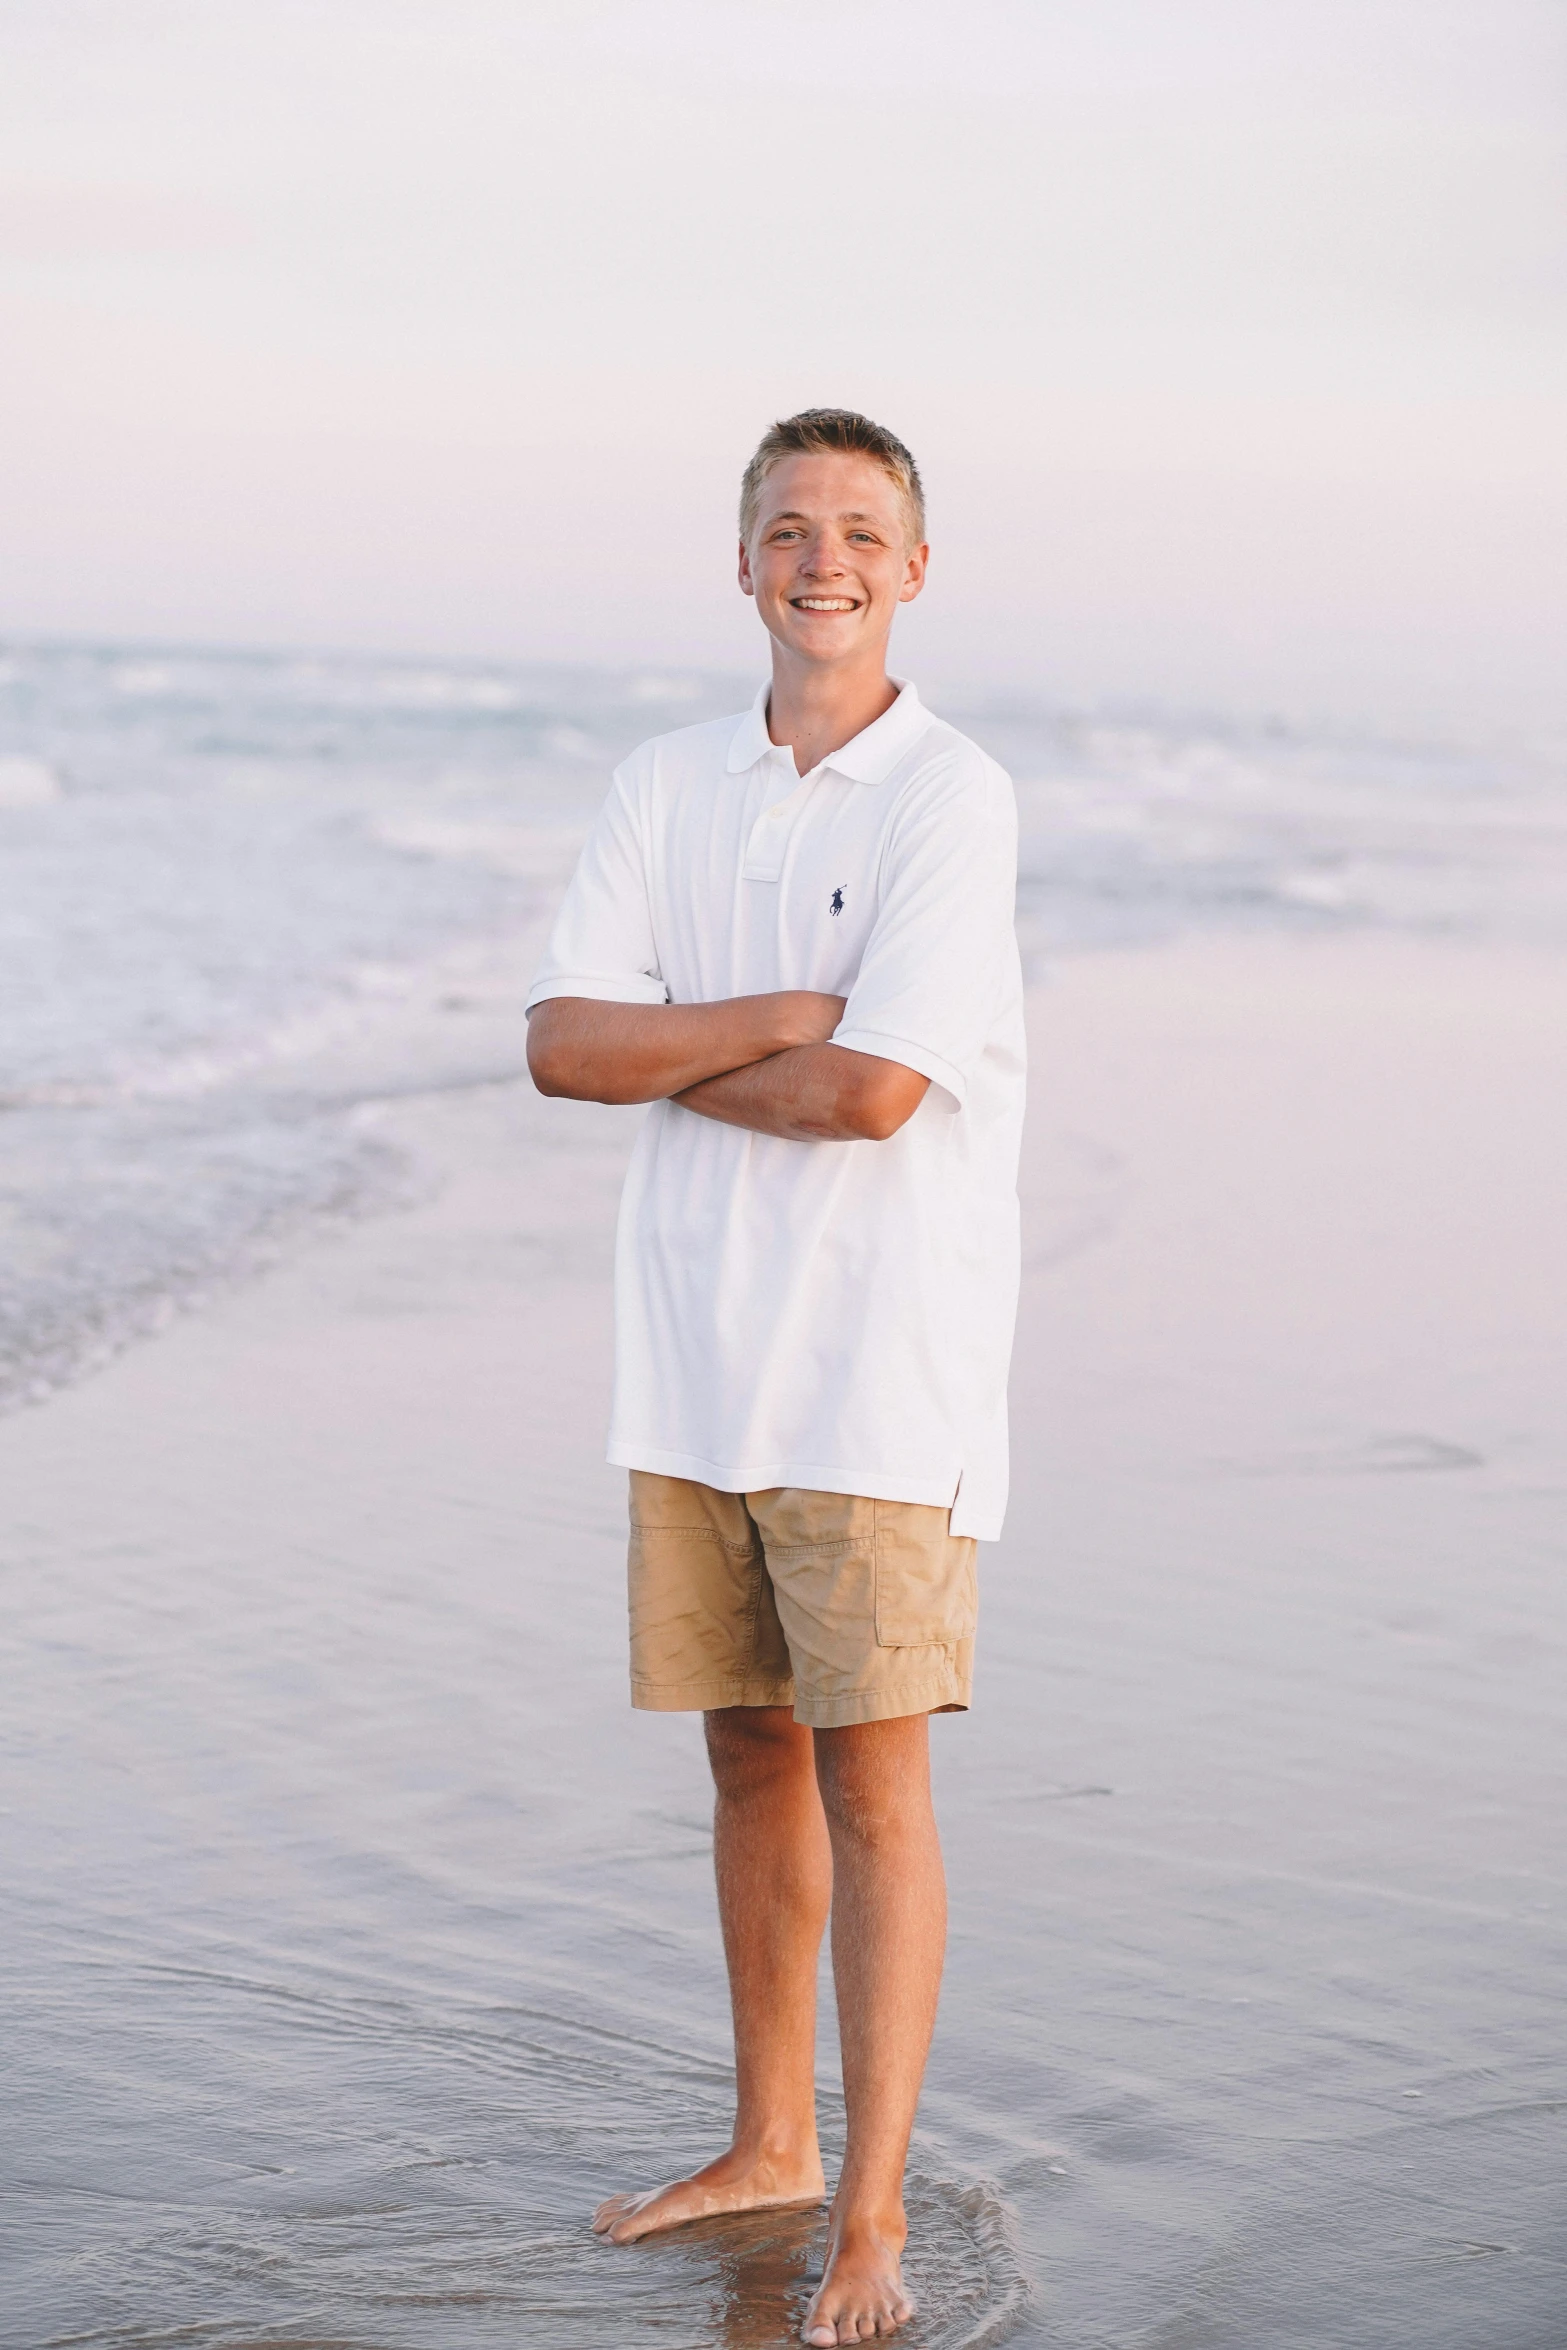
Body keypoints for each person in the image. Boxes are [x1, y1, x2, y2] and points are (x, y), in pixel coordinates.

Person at [526, 408, 1025, 2346]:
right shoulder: (665, 783)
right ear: (742, 566)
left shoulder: (951, 797)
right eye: (791, 530)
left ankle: (874, 2211)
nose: (826, 558)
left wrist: (684, 1049)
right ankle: (767, 2142)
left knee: (874, 1778)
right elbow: (563, 1044)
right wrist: (767, 1024)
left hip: (879, 1373)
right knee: (746, 1751)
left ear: (915, 569)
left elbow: (877, 1090)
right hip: (693, 1361)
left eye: (863, 531)